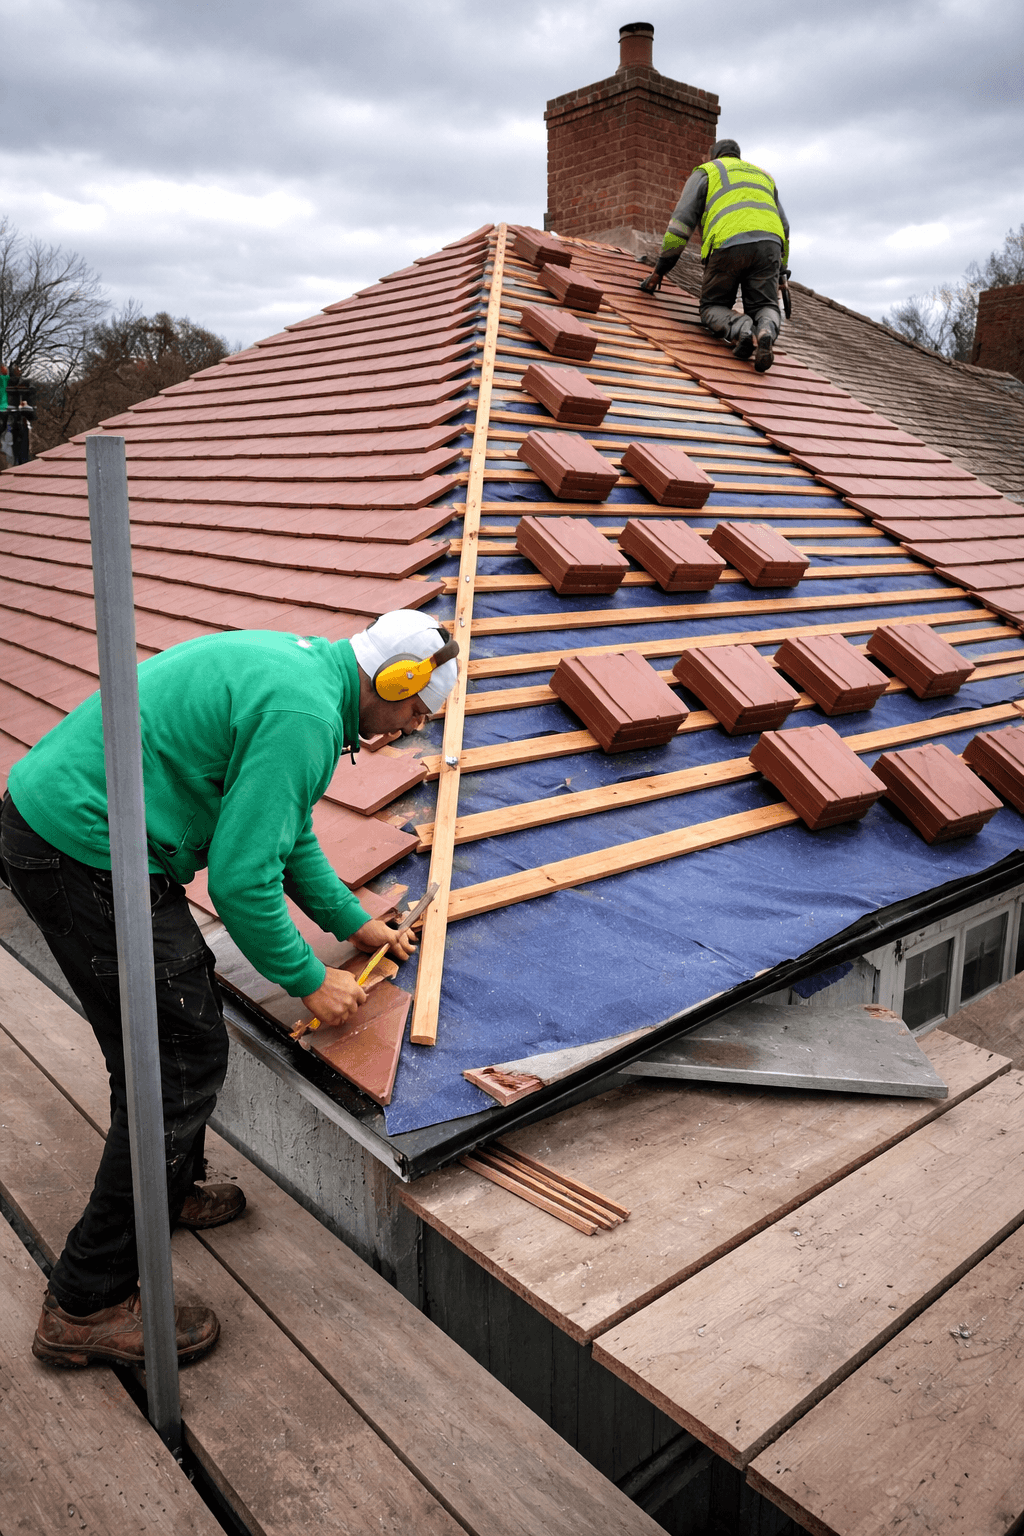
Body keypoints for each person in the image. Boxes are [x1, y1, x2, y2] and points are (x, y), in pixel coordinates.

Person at [0, 611, 459, 1369]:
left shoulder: (308, 679)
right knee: (182, 1054)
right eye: (416, 709)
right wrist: (310, 980)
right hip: (81, 850)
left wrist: (353, 920)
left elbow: (287, 830)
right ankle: (89, 1300)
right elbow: (245, 881)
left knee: (154, 1039)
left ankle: (163, 1190)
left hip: (62, 828)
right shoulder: (305, 713)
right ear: (396, 680)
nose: (413, 727)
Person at [639, 138, 790, 373]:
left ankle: (742, 328)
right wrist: (782, 273)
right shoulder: (764, 176)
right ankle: (766, 331)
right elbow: (785, 229)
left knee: (713, 306)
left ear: (714, 156)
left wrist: (660, 271)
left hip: (727, 245)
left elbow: (680, 225)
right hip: (770, 246)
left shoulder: (709, 171)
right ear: (738, 157)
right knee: (766, 304)